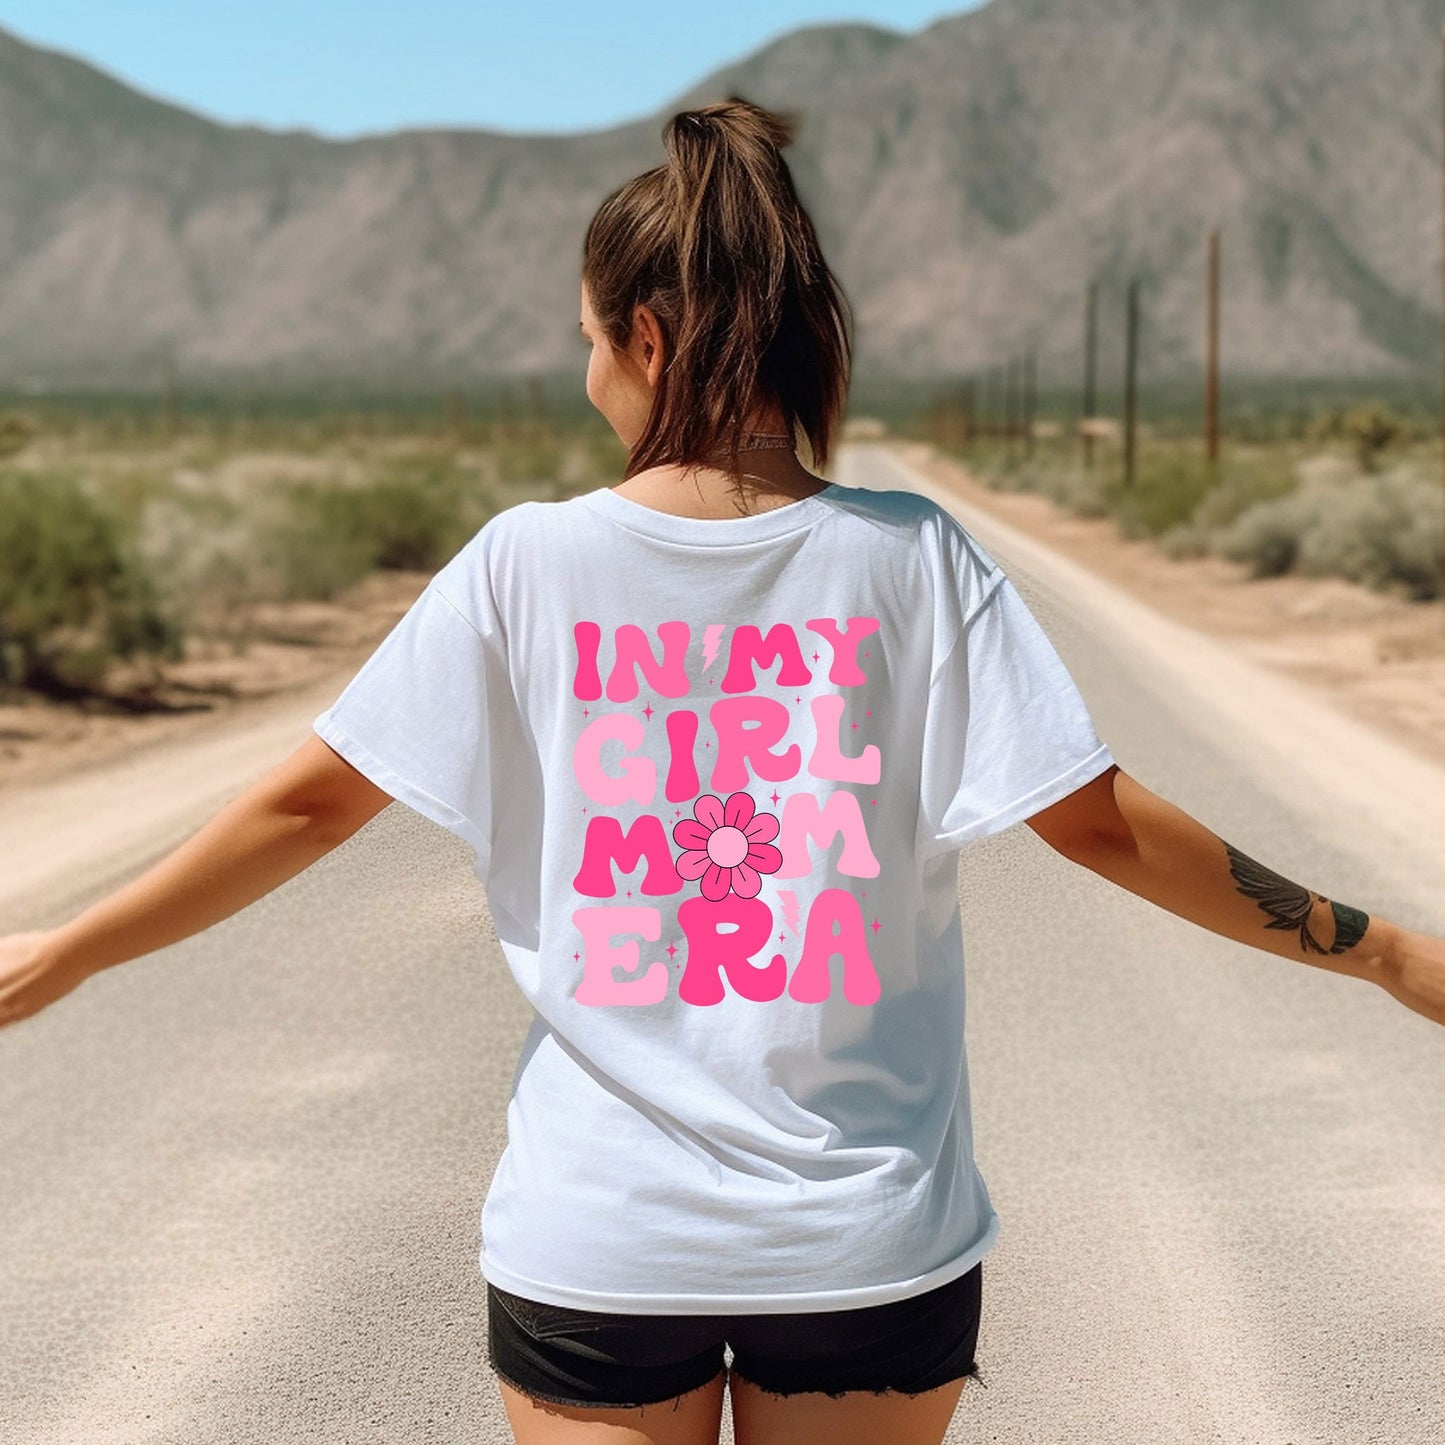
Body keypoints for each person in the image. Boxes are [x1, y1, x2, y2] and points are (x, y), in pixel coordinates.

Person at [1, 96, 1442, 1445]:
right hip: (861, 1243)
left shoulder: (521, 565)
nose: (583, 374)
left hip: (603, 1240)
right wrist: (1381, 954)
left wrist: (68, 953)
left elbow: (307, 806)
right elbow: (1105, 830)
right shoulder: (912, 559)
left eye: (585, 339)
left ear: (644, 336)